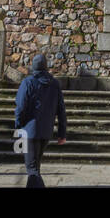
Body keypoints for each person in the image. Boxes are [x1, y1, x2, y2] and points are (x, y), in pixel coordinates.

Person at [13, 54, 67, 187]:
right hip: (46, 132)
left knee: (32, 170)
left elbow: (20, 106)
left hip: (28, 131)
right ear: (46, 67)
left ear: (33, 66)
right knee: (35, 167)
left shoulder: (28, 82)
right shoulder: (54, 84)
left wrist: (18, 125)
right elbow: (61, 110)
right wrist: (62, 133)